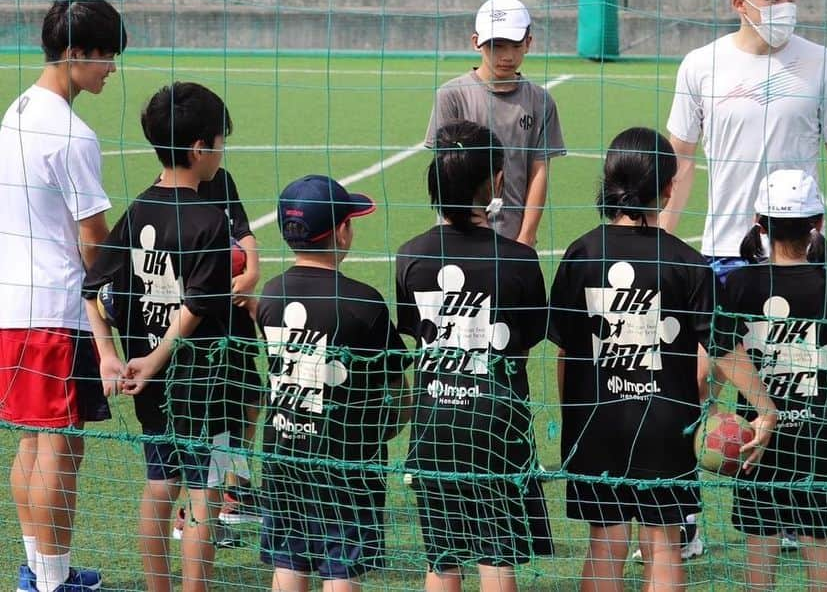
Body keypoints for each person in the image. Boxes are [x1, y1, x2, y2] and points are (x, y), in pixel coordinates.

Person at [549, 127, 778, 592]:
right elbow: (722, 346)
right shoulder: (687, 262)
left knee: (606, 542)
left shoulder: (581, 252)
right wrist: (765, 406)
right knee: (663, 543)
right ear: (669, 188)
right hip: (666, 423)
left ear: (608, 181)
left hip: (598, 421)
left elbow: (566, 352)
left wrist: (574, 419)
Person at [84, 82, 237, 592]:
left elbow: (91, 287)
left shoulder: (137, 211)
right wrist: (157, 359)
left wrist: (112, 356)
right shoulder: (210, 221)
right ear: (200, 149)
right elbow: (197, 304)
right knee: (203, 494)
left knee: (158, 484)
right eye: (220, 142)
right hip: (201, 379)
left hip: (148, 382)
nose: (220, 152)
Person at [0, 0, 126, 592]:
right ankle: (50, 583)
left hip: (14, 303)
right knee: (58, 444)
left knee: (33, 438)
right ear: (76, 53)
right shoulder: (71, 134)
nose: (111, 69)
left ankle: (41, 569)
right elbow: (94, 237)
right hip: (55, 306)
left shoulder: (17, 110)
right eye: (105, 57)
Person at [396, 119, 553, 592]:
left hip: (434, 426)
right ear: (498, 181)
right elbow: (529, 337)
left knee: (442, 559)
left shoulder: (410, 257)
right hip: (496, 428)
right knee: (496, 557)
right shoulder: (520, 260)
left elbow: (414, 329)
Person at [661, 0, 827, 290]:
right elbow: (680, 157)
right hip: (726, 249)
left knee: (800, 345)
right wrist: (660, 238)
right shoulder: (701, 65)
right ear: (740, 4)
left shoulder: (821, 62)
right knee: (726, 345)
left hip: (801, 248)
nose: (786, 8)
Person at [258, 174, 411, 592]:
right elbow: (396, 382)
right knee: (341, 566)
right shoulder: (363, 303)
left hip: (284, 451)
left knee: (289, 560)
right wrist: (391, 423)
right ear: (342, 232)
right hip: (347, 458)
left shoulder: (271, 295)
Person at [719, 169, 827, 590]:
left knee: (760, 541)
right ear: (817, 225)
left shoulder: (739, 283)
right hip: (822, 435)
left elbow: (724, 351)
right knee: (819, 541)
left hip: (757, 437)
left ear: (759, 226)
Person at [425, 0, 566, 247]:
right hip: (458, 233)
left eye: (514, 44)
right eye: (496, 46)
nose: (507, 55)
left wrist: (527, 236)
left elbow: (539, 171)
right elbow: (445, 172)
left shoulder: (540, 100)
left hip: (512, 236)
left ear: (528, 42)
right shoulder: (452, 95)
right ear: (476, 42)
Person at [169, 166, 262, 542]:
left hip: (232, 315)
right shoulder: (169, 201)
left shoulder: (221, 178)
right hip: (200, 324)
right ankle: (194, 515)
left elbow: (242, 230)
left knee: (250, 399)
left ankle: (235, 492)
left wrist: (251, 270)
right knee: (210, 420)